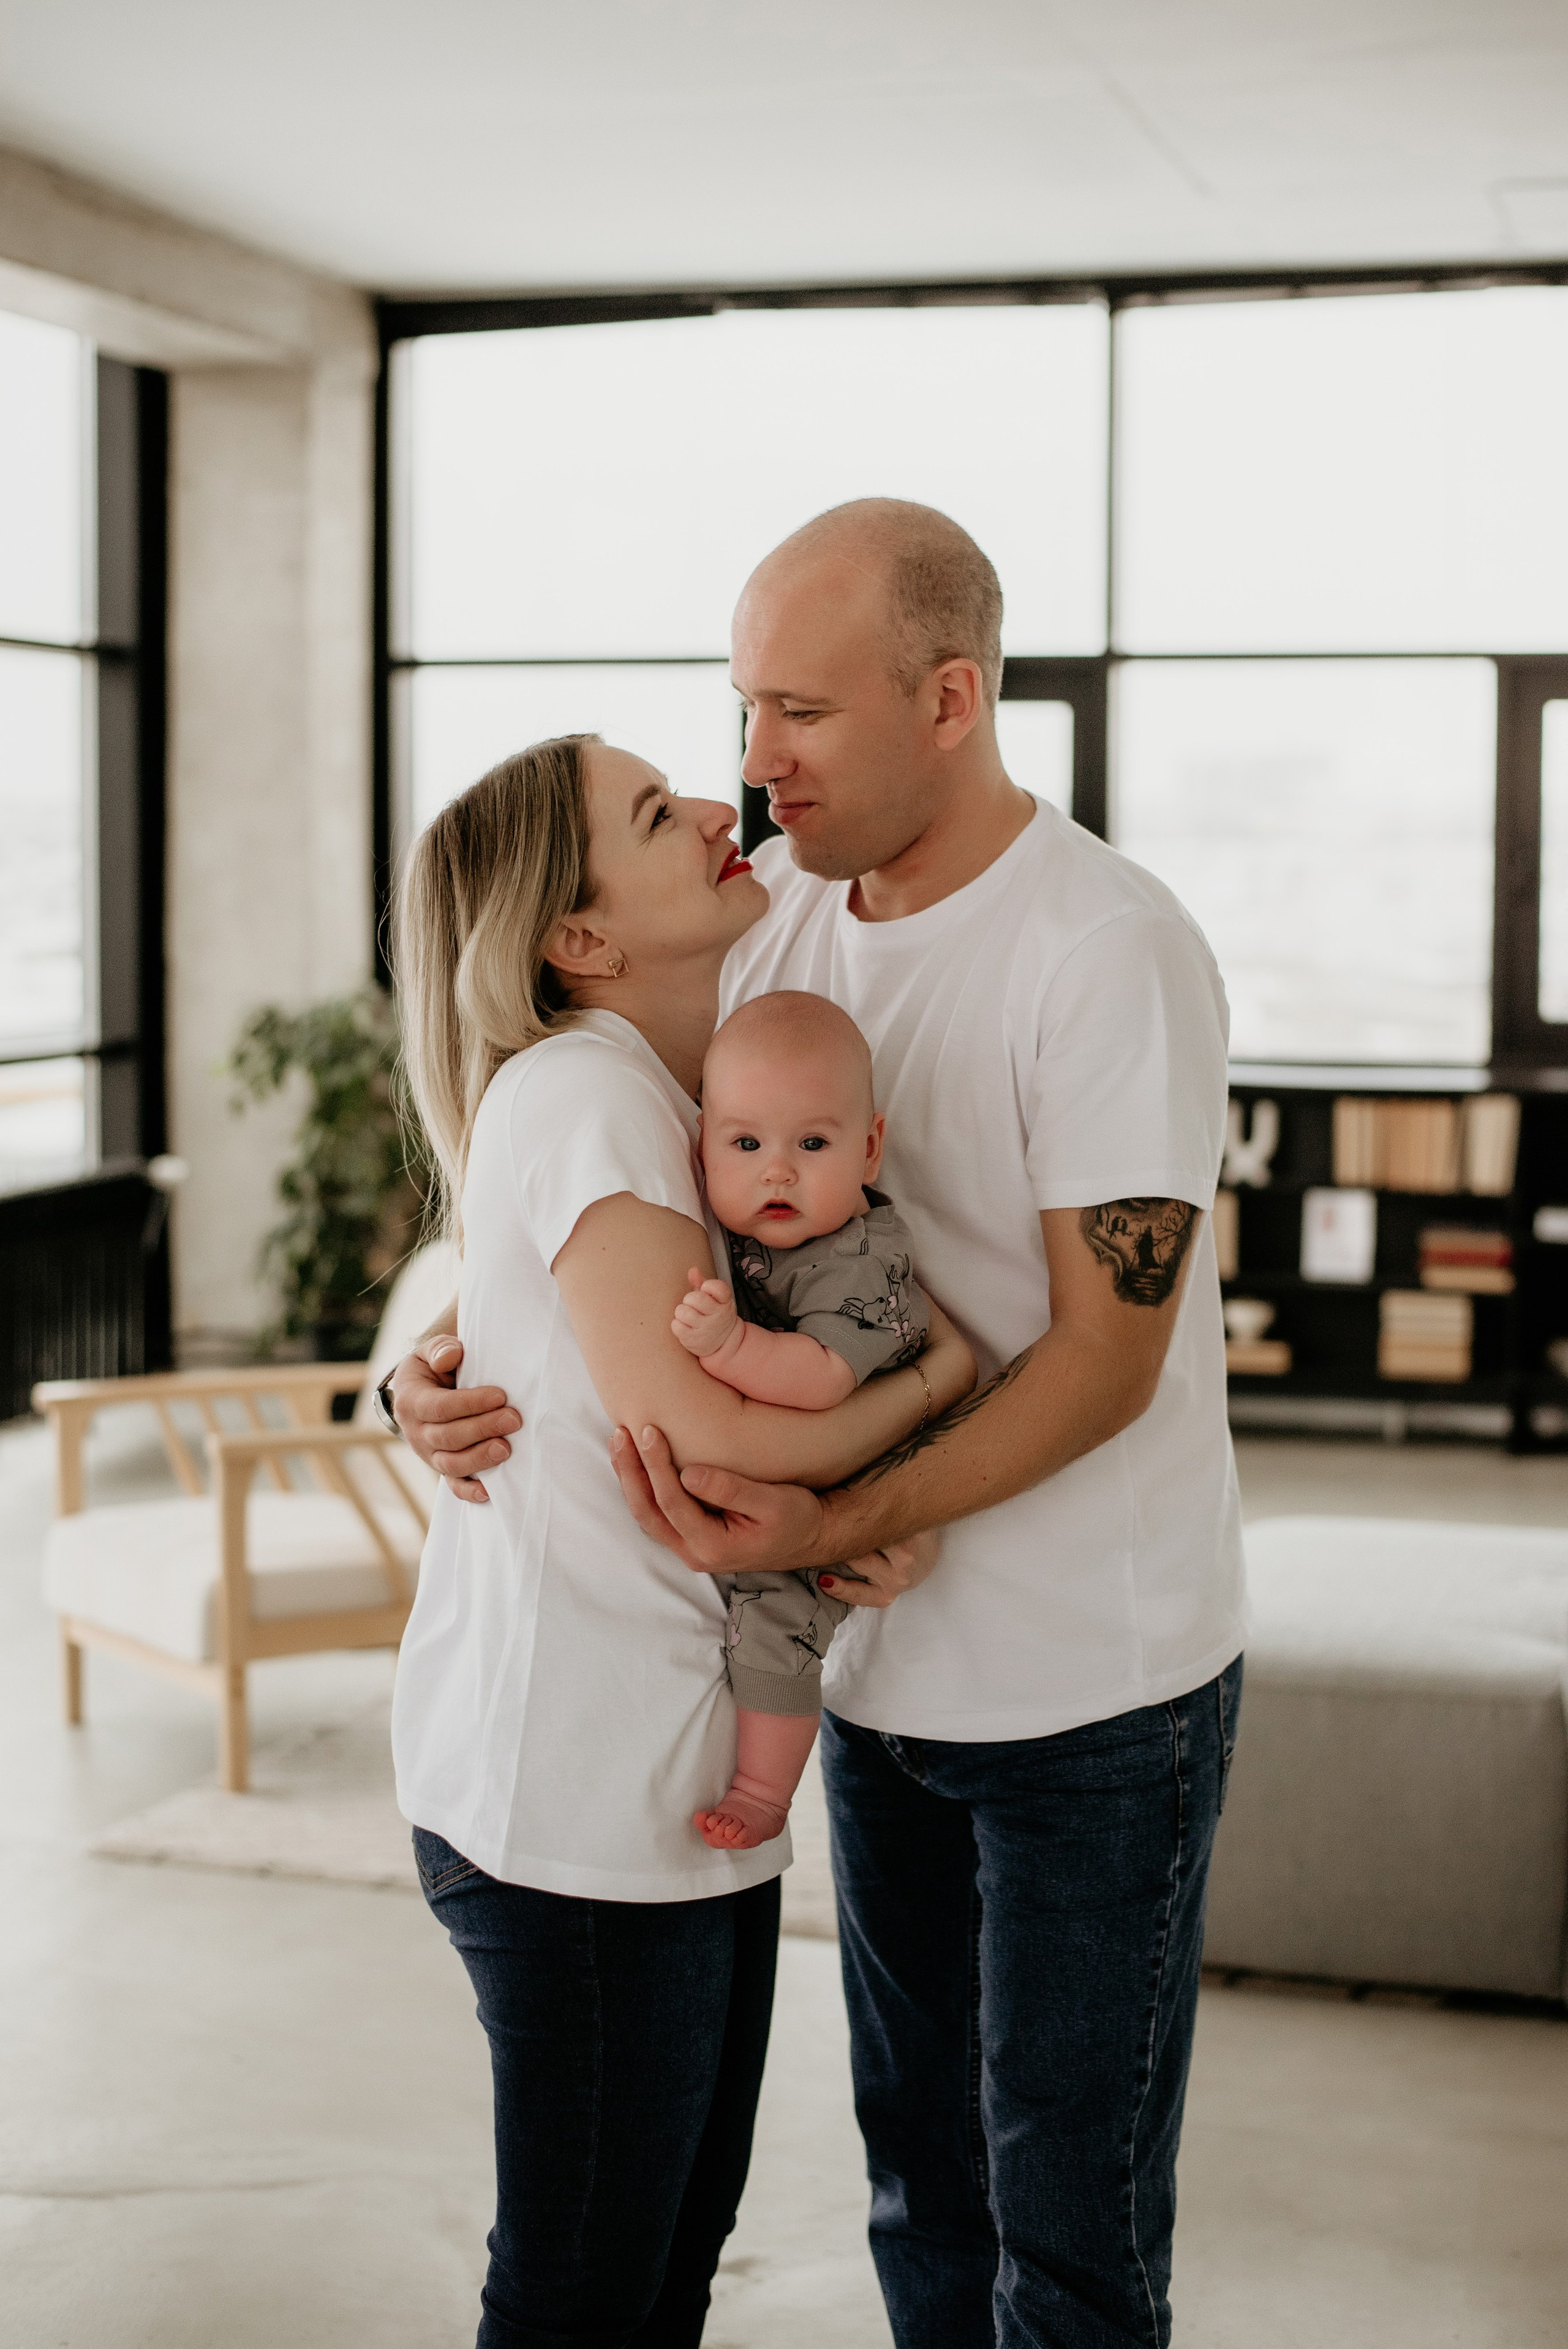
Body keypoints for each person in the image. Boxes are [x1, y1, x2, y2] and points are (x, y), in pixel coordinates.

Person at [393, 500, 1246, 2349]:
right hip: (864, 1682)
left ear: (950, 697)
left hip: (1085, 1697)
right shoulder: (768, 924)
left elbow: (1113, 1359)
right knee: (920, 2191)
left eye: (799, 712)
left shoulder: (1106, 951)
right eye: (739, 707)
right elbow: (595, 1196)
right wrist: (433, 1366)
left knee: (1070, 2227)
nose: (751, 765)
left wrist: (807, 1514)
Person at [388, 730, 974, 2349]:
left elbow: (542, 1343)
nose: (728, 808)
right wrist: (941, 1385)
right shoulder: (587, 1086)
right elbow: (713, 1432)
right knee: (588, 2292)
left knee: (656, 2276)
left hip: (659, 1781)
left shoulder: (649, 1090)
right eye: (660, 815)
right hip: (570, 1803)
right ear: (578, 938)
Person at [674, 989, 935, 1852]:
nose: (776, 1171)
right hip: (783, 1463)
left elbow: (822, 1380)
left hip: (848, 1479)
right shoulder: (734, 1218)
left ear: (869, 1150)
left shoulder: (860, 1259)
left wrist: (729, 1345)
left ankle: (763, 1790)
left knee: (779, 1619)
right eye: (745, 1144)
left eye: (812, 1145)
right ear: (703, 1140)